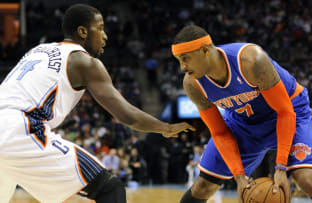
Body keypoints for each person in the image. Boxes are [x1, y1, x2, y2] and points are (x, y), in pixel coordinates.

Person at [0, 4, 194, 203]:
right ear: (83, 31)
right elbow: (126, 115)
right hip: (20, 131)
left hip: (6, 125)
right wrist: (165, 127)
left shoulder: (39, 50)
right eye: (100, 28)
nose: (105, 36)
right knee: (109, 188)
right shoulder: (85, 62)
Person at [171, 25, 312, 203]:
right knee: (203, 186)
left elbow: (285, 112)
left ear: (205, 50)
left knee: (306, 178)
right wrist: (239, 176)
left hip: (287, 110)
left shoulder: (251, 60)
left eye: (185, 59)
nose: (182, 67)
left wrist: (281, 167)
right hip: (243, 122)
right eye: (178, 60)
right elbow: (220, 133)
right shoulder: (192, 85)